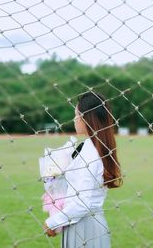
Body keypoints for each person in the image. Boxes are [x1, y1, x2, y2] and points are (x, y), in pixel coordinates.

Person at [43, 91, 123, 248]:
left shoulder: (91, 152)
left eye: (76, 115)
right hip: (83, 223)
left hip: (85, 227)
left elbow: (82, 202)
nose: (74, 119)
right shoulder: (93, 146)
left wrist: (52, 222)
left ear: (87, 118)